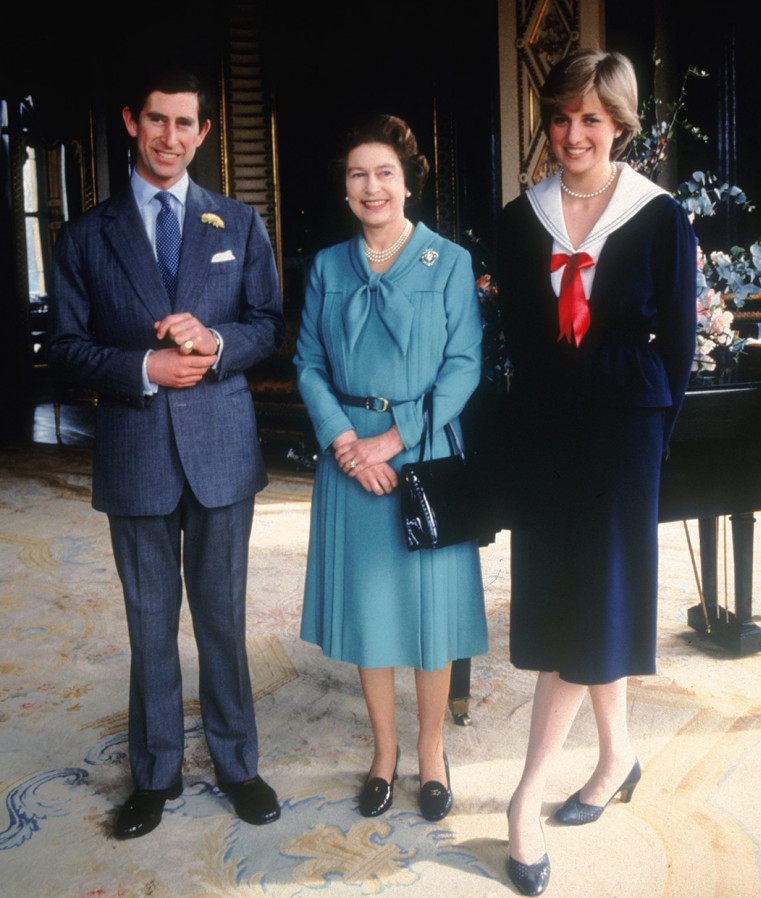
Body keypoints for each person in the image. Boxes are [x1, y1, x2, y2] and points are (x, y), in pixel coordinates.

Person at [47, 65, 286, 839]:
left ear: (205, 133)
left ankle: (237, 762)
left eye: (186, 125)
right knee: (150, 625)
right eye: (156, 121)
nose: (170, 139)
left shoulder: (239, 225)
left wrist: (215, 343)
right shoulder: (85, 234)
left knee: (222, 618)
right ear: (130, 121)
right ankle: (154, 775)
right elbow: (65, 350)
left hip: (221, 453)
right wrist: (142, 368)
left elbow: (267, 326)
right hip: (136, 452)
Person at [496, 50, 697, 895]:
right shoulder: (519, 219)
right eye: (561, 117)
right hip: (547, 431)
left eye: (592, 119)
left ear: (620, 124)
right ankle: (616, 756)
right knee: (569, 600)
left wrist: (644, 437)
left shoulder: (660, 218)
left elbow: (680, 346)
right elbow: (514, 338)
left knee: (593, 603)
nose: (573, 134)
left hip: (623, 432)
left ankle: (524, 798)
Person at [294, 114, 487, 822]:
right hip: (348, 457)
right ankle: (385, 752)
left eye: (384, 173)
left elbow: (465, 366)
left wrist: (394, 439)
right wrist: (347, 442)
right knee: (373, 614)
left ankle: (432, 752)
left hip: (424, 453)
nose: (371, 187)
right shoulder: (325, 267)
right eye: (357, 174)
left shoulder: (451, 262)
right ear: (345, 189)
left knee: (429, 616)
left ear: (408, 183)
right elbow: (308, 364)